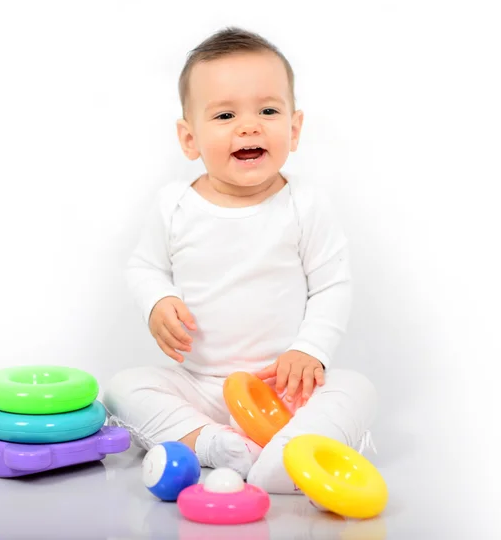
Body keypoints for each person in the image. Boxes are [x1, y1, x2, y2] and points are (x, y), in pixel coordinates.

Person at [102, 27, 377, 494]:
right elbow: (144, 266)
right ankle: (214, 444)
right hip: (200, 385)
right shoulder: (174, 205)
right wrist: (158, 300)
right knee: (122, 388)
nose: (249, 126)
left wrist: (309, 350)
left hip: (287, 388)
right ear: (189, 139)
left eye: (268, 110)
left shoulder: (304, 206)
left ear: (294, 128)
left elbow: (333, 284)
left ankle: (294, 451)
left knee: (358, 390)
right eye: (225, 114)